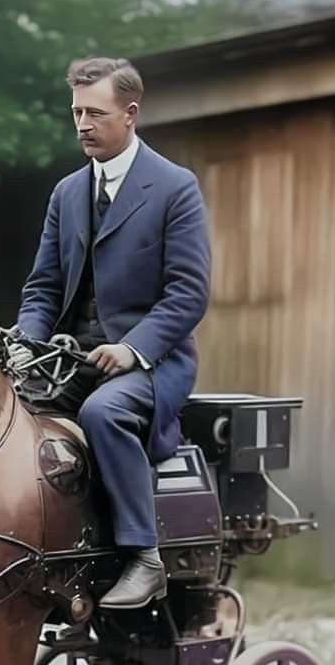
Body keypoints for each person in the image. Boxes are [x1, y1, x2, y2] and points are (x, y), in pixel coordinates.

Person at [12, 56, 211, 609]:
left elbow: (188, 295)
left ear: (130, 114)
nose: (81, 125)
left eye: (94, 113)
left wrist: (132, 349)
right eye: (76, 112)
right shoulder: (67, 194)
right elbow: (43, 289)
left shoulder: (175, 188)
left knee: (104, 413)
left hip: (156, 363)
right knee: (4, 413)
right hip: (73, 360)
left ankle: (143, 558)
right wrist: (28, 346)